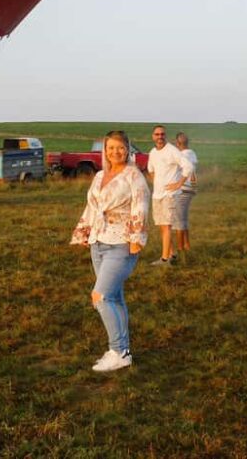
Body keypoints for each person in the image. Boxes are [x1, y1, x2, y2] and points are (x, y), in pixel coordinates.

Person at [71, 130, 150, 372]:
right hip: (98, 242)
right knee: (114, 297)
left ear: (128, 149)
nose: (115, 152)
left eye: (120, 148)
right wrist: (84, 232)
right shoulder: (100, 176)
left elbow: (142, 204)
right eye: (110, 148)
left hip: (121, 243)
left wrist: (136, 238)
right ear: (105, 150)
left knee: (101, 296)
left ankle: (119, 351)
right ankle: (122, 350)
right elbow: (92, 206)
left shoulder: (133, 176)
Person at [147, 125, 194, 266]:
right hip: (157, 195)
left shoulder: (172, 151)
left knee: (167, 226)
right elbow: (150, 169)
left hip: (170, 195)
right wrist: (157, 182)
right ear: (153, 136)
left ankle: (164, 259)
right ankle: (172, 254)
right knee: (162, 226)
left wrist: (179, 183)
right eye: (157, 134)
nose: (160, 137)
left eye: (162, 134)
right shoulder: (153, 152)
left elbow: (189, 166)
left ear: (165, 136)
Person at [174, 132, 198, 254]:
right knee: (183, 219)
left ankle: (180, 249)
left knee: (178, 221)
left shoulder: (181, 156)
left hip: (182, 189)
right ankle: (187, 245)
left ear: (177, 143)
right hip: (191, 188)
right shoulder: (192, 153)